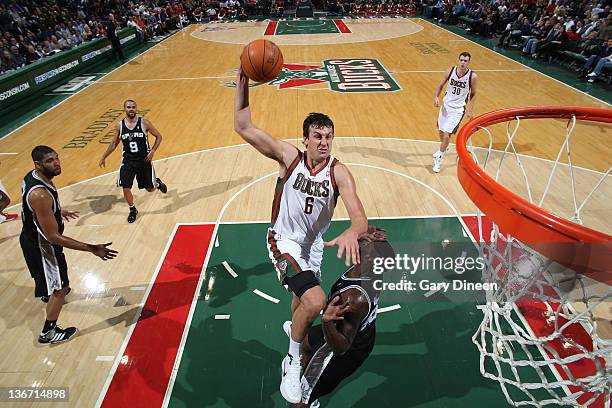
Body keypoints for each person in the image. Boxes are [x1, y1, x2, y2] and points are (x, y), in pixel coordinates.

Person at [234, 69, 368, 404]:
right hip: (283, 240)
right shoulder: (289, 157)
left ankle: (293, 327)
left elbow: (360, 216)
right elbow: (243, 127)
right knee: (314, 301)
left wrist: (354, 230)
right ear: (305, 138)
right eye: (317, 136)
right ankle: (292, 359)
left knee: (301, 300)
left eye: (328, 137)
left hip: (313, 247)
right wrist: (242, 85)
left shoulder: (339, 171)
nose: (323, 142)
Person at [20, 146, 118, 344]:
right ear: (38, 165)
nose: (56, 163)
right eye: (50, 161)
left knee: (51, 283)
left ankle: (49, 292)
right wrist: (92, 248)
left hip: (30, 239)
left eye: (57, 158)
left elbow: (31, 208)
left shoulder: (31, 177)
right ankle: (48, 333)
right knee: (61, 289)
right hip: (43, 247)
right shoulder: (40, 195)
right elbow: (53, 237)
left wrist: (56, 210)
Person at [287, 226, 393, 407]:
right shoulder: (368, 267)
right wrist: (364, 230)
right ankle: (301, 376)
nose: (362, 241)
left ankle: (309, 398)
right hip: (358, 332)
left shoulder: (355, 298)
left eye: (367, 245)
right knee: (303, 340)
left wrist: (327, 322)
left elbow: (341, 348)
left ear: (368, 257)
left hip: (345, 348)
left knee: (297, 401)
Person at [99, 99, 168, 223]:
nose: (131, 109)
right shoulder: (120, 126)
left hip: (144, 161)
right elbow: (114, 143)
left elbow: (159, 136)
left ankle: (157, 183)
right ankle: (132, 209)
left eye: (133, 107)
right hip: (128, 162)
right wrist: (104, 156)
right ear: (124, 109)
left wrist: (152, 151)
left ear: (136, 109)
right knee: (126, 187)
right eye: (129, 107)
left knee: (150, 189)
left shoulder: (144, 123)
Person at [432, 51, 479, 173]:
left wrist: (470, 110)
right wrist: (436, 97)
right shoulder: (450, 71)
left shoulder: (472, 76)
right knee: (441, 132)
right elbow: (441, 85)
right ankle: (444, 147)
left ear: (469, 62)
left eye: (465, 61)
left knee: (447, 135)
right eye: (461, 60)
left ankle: (439, 158)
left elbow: (473, 94)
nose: (463, 62)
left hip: (458, 109)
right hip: (446, 106)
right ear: (459, 60)